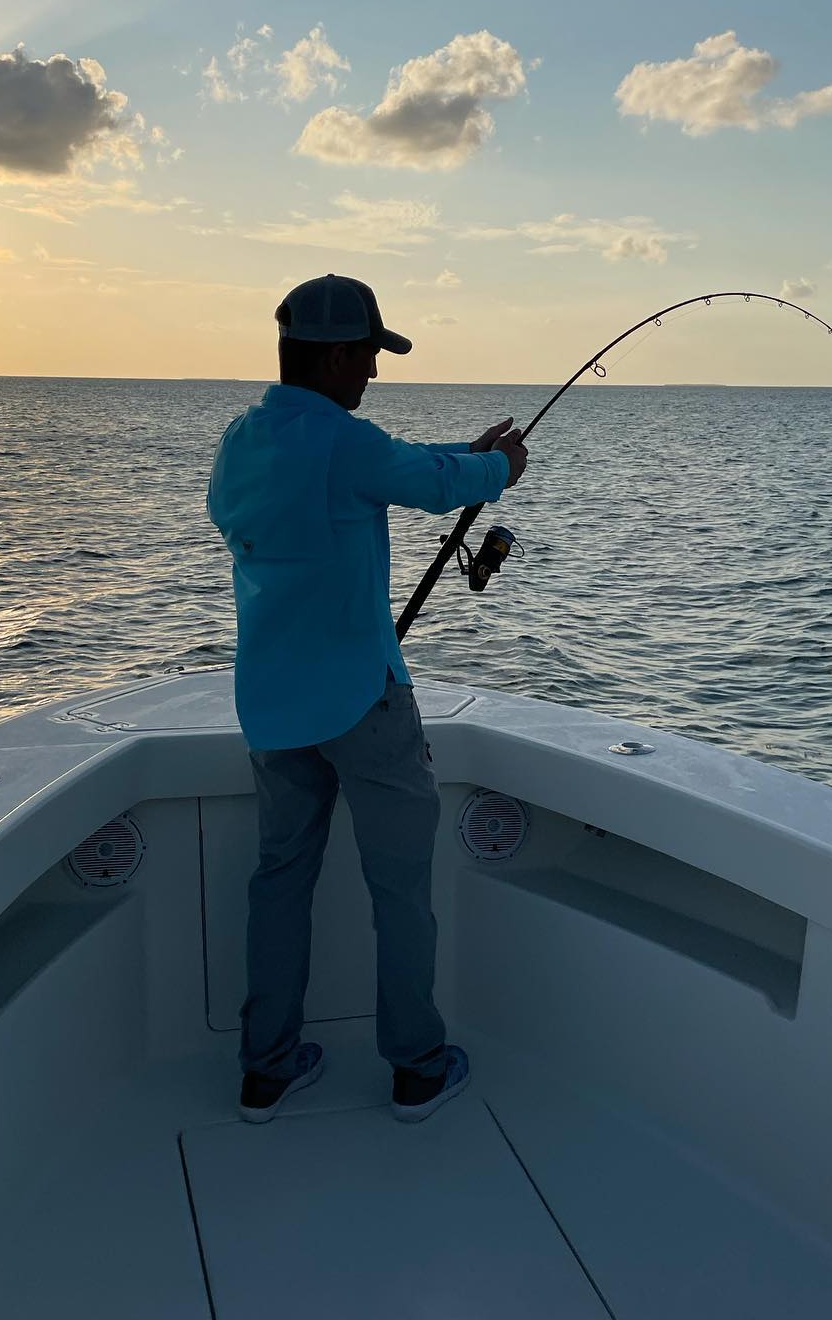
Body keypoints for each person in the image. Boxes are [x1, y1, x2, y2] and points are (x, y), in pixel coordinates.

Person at [206, 273, 529, 1125]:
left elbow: (401, 475)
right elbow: (422, 479)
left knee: (278, 883)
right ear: (339, 353)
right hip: (362, 702)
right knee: (401, 891)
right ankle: (418, 1067)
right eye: (371, 357)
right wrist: (498, 465)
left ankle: (265, 1070)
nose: (374, 376)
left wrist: (455, 467)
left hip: (272, 707)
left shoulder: (241, 442)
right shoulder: (344, 443)